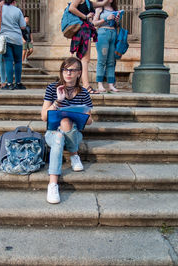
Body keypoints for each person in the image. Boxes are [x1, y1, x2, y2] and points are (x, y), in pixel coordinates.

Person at [41, 57, 93, 204]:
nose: (68, 73)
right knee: (58, 135)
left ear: (79, 73)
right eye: (65, 69)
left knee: (66, 121)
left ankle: (73, 154)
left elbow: (89, 121)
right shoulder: (53, 88)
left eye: (72, 70)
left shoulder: (83, 93)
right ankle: (53, 184)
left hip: (74, 133)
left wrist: (80, 114)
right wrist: (58, 102)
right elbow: (44, 117)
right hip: (52, 132)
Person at [69, 0, 109, 94]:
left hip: (85, 31)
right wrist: (85, 16)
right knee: (84, 59)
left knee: (82, 59)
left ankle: (78, 85)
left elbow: (102, 3)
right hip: (82, 31)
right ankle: (86, 86)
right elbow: (71, 8)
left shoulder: (89, 2)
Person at [0, 0, 27, 90]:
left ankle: (9, 83)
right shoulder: (18, 10)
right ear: (13, 1)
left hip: (5, 39)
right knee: (18, 61)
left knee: (8, 61)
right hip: (17, 39)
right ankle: (18, 83)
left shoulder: (0, 9)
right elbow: (23, 26)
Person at [92, 0, 120, 93]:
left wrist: (117, 21)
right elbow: (94, 23)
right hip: (103, 34)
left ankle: (111, 85)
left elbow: (117, 25)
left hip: (113, 34)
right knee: (102, 60)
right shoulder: (99, 8)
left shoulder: (114, 9)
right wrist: (106, 19)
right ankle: (100, 84)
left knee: (111, 61)